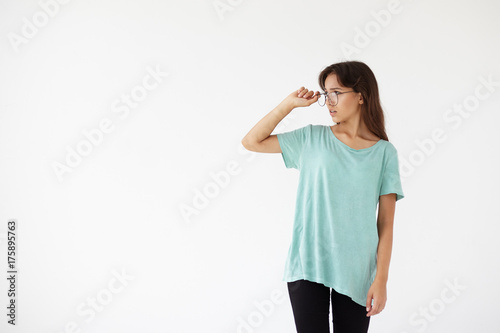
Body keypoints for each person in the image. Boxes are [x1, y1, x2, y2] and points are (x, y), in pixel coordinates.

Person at [241, 60, 405, 333]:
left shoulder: (384, 153)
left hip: (357, 270)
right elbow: (251, 142)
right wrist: (288, 104)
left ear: (361, 95)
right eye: (326, 94)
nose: (329, 101)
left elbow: (385, 223)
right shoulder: (311, 139)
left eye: (336, 93)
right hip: (308, 262)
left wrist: (381, 279)